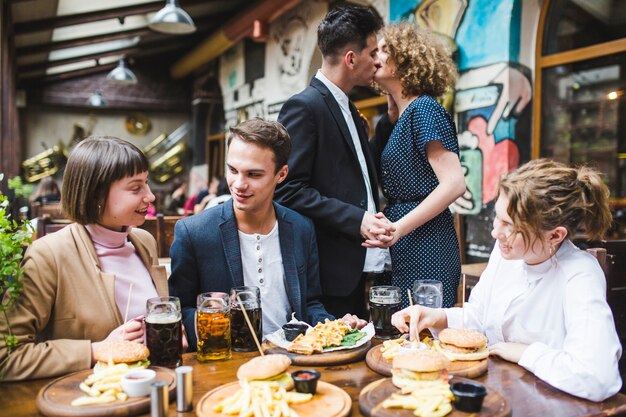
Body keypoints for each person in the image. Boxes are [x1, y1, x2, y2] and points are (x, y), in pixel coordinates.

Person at [391, 159, 622, 401]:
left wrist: (526, 353)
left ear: (555, 235)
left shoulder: (580, 274)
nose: (494, 232)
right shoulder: (506, 254)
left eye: (509, 225)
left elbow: (598, 377)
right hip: (495, 393)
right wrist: (437, 317)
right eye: (497, 218)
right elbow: (480, 320)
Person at [169, 119, 366, 350]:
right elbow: (179, 311)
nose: (238, 184)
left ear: (281, 174)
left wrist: (336, 326)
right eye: (232, 170)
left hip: (295, 355)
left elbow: (310, 303)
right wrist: (214, 320)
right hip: (228, 361)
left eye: (253, 174)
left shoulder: (301, 227)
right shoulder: (193, 232)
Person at [0, 137, 169, 381]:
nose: (150, 196)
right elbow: (6, 355)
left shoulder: (144, 240)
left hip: (154, 388)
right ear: (95, 195)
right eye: (136, 188)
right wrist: (95, 350)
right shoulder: (48, 256)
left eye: (147, 184)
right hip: (84, 398)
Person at [275, 5, 394, 319]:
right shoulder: (304, 106)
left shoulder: (350, 107)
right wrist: (357, 220)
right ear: (351, 59)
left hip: (358, 264)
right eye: (372, 53)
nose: (378, 60)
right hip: (328, 272)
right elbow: (287, 190)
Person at [368, 24, 466, 308]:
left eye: (385, 50)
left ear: (406, 59)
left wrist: (398, 228)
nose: (377, 56)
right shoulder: (401, 116)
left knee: (424, 335)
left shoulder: (424, 108)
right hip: (408, 239)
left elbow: (454, 183)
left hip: (428, 241)